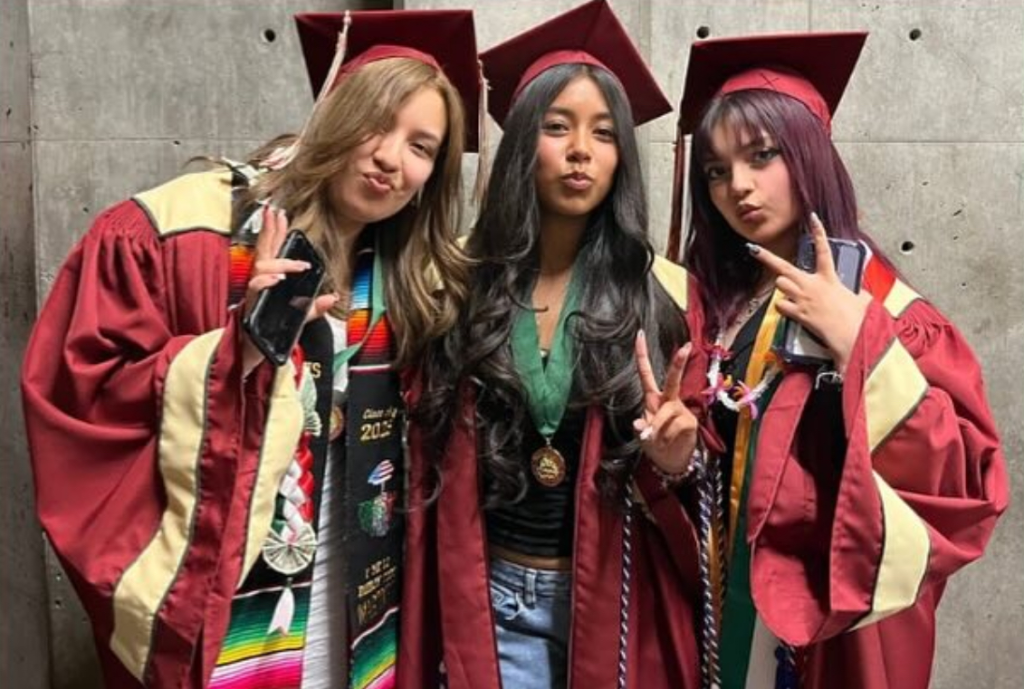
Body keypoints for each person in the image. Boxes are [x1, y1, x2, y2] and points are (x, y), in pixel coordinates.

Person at [20, 9, 482, 689]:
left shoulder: (416, 276)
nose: (392, 158)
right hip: (230, 599)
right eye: (379, 124)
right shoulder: (190, 230)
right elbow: (83, 395)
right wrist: (237, 351)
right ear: (336, 110)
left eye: (421, 146)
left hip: (362, 603)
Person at [667, 31, 1010, 689]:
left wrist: (862, 345)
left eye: (762, 155)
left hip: (825, 627)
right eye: (715, 169)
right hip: (719, 610)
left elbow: (967, 484)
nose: (737, 186)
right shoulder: (718, 309)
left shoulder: (894, 316)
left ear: (809, 153)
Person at [400, 2, 702, 688]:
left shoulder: (662, 297)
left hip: (616, 600)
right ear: (520, 147)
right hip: (495, 598)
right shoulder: (459, 286)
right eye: (556, 126)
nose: (579, 151)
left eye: (602, 133)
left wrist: (677, 461)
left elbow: (696, 481)